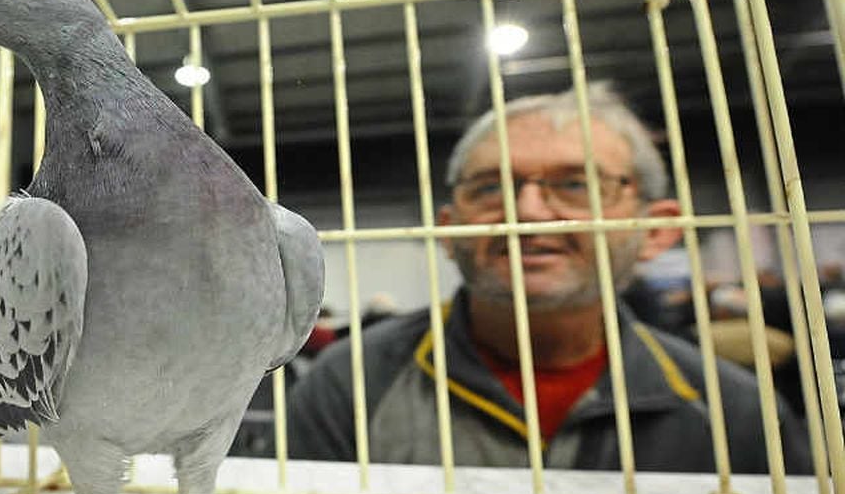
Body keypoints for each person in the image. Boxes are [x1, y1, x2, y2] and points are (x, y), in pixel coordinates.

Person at [287, 83, 812, 474]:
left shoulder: (732, 408)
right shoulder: (350, 383)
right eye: (490, 188)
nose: (529, 211)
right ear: (449, 231)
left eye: (575, 183)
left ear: (655, 230)